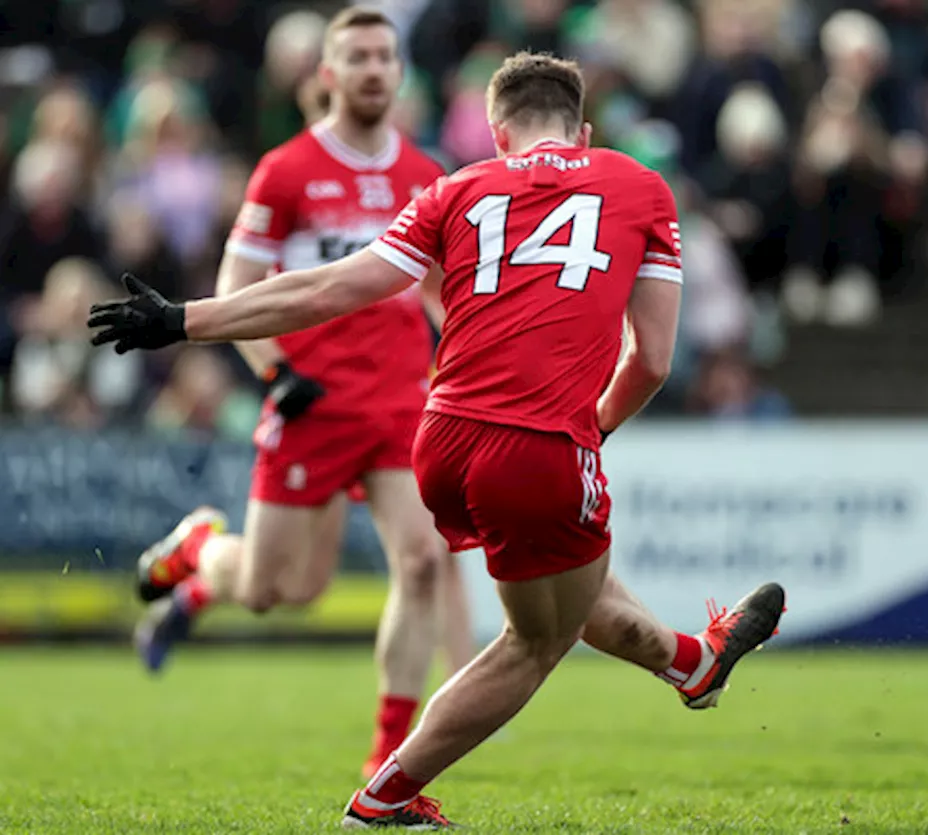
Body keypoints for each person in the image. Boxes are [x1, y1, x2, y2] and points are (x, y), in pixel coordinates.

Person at [89, 51, 786, 829]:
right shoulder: (641, 186)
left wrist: (184, 320)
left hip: (439, 437)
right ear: (583, 130)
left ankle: (694, 662)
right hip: (535, 442)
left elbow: (330, 287)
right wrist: (590, 428)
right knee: (534, 641)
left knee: (575, 588)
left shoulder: (453, 189)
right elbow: (652, 359)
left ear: (496, 135)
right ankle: (382, 798)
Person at [127, 7, 476, 779]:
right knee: (275, 588)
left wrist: (473, 360)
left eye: (386, 56)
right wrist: (277, 371)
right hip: (312, 401)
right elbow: (234, 291)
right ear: (326, 75)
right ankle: (199, 553)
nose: (375, 69)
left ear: (401, 69)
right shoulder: (285, 171)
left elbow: (442, 297)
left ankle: (389, 760)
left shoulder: (426, 177)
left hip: (398, 403)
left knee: (421, 562)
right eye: (357, 58)